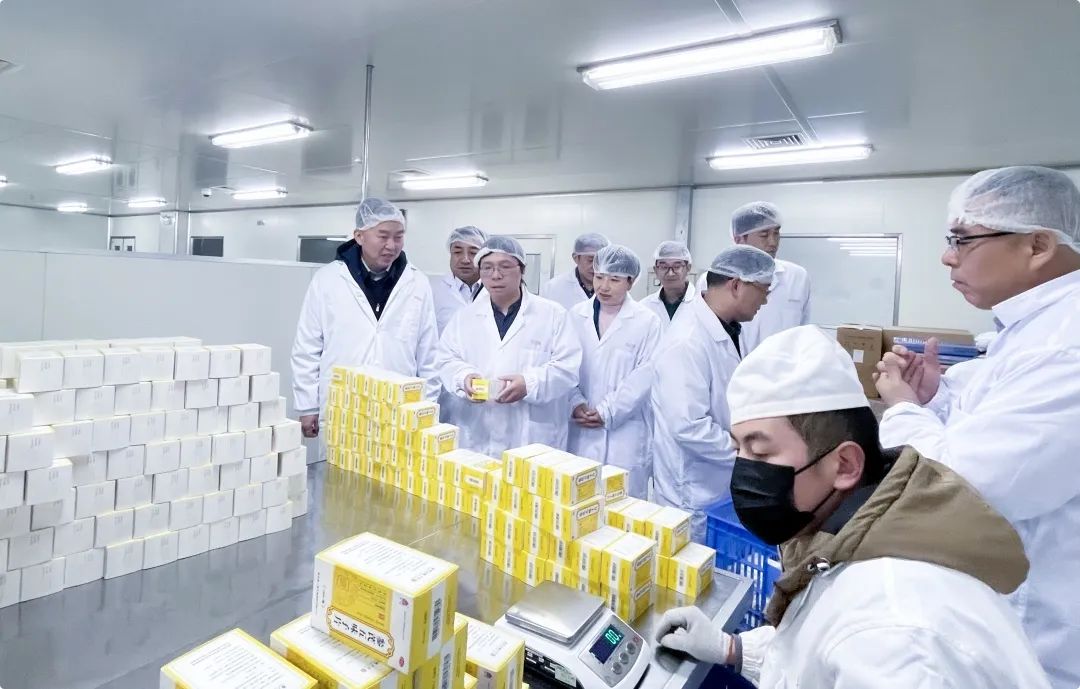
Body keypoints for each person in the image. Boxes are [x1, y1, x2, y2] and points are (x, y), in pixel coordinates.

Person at [655, 326, 1050, 688]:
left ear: (844, 465)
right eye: (738, 448)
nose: (743, 469)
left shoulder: (894, 636)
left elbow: (852, 640)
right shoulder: (850, 536)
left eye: (760, 452)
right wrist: (732, 649)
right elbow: (814, 655)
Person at [875, 166, 1080, 689]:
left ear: (1037, 245)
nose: (947, 257)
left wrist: (902, 408)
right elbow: (994, 420)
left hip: (1048, 644)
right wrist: (936, 398)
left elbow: (961, 487)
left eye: (962, 240)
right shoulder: (1032, 328)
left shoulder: (1067, 344)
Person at [291, 198, 440, 443]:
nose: (391, 245)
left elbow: (429, 353)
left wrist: (427, 408)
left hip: (399, 409)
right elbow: (307, 346)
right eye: (383, 236)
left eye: (399, 237)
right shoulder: (327, 280)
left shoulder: (417, 283)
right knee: (339, 465)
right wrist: (307, 406)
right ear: (359, 236)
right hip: (343, 404)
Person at [651, 246, 774, 540]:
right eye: (763, 290)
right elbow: (688, 425)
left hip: (717, 481)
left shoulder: (729, 327)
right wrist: (747, 453)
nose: (766, 300)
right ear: (736, 285)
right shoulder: (687, 341)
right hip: (692, 489)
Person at [437, 236, 582, 457]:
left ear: (522, 270)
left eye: (505, 266)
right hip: (477, 434)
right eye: (487, 267)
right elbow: (446, 360)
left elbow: (567, 368)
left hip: (531, 437)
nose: (495, 275)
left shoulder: (553, 315)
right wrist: (463, 377)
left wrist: (529, 384)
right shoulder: (464, 317)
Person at [567, 245, 663, 497]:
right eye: (599, 277)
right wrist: (575, 402)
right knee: (579, 501)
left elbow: (646, 373)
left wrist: (608, 410)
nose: (604, 286)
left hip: (625, 432)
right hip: (580, 426)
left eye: (614, 279)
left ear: (630, 282)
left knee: (622, 503)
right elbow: (564, 363)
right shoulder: (576, 315)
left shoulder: (647, 321)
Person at [431, 225, 488, 334]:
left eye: (473, 253)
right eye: (457, 252)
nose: (465, 260)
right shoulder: (432, 290)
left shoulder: (495, 290)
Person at [541, 232, 610, 310]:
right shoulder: (552, 288)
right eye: (590, 260)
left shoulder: (615, 288)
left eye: (601, 261)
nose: (595, 266)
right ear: (576, 258)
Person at [640, 240, 696, 327]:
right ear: (655, 270)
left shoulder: (704, 304)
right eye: (664, 267)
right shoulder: (644, 307)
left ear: (688, 268)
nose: (670, 273)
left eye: (677, 267)